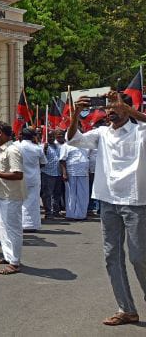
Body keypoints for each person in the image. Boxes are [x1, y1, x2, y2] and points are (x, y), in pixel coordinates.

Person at [66, 92, 146, 326]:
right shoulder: (101, 133)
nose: (110, 110)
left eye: (115, 106)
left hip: (136, 201)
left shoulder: (141, 130)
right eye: (107, 107)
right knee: (112, 256)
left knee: (139, 257)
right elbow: (73, 140)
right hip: (107, 200)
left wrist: (130, 111)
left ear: (128, 109)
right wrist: (74, 114)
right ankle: (126, 309)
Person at [0, 122, 25, 275]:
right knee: (3, 228)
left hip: (11, 195)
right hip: (3, 194)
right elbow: (7, 170)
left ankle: (14, 262)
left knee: (12, 229)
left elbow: (18, 174)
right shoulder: (3, 150)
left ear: (0, 132)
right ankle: (8, 256)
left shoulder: (12, 150)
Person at [18, 128, 47, 231]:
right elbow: (43, 162)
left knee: (20, 201)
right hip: (33, 178)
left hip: (19, 177)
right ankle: (30, 224)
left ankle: (21, 224)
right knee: (32, 202)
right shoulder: (37, 148)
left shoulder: (16, 147)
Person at [59, 138, 90, 220]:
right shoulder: (66, 146)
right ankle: (70, 214)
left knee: (83, 194)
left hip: (84, 173)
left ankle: (81, 214)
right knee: (71, 194)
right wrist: (64, 173)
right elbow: (62, 160)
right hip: (71, 172)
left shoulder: (85, 145)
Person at [40, 130, 62, 218]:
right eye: (50, 136)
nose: (52, 138)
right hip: (47, 173)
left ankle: (56, 211)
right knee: (47, 194)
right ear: (46, 137)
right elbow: (41, 159)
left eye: (53, 136)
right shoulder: (43, 146)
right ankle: (48, 212)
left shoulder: (57, 146)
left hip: (57, 173)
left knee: (57, 194)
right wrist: (44, 150)